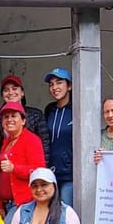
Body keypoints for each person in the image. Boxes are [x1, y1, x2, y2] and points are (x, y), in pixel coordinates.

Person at [0, 101, 46, 216]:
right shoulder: (6, 142)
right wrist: (0, 204)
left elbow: (39, 171)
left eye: (14, 116)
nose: (9, 119)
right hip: (6, 204)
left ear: (23, 121)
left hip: (23, 203)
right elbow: (2, 175)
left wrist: (14, 168)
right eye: (6, 117)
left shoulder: (32, 140)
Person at [0, 74, 50, 160]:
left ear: (22, 93)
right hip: (4, 167)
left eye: (14, 89)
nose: (11, 93)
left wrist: (41, 171)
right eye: (6, 90)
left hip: (31, 166)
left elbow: (45, 145)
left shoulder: (36, 115)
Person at [43, 68, 74, 206]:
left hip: (70, 174)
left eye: (59, 82)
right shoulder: (49, 109)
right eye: (51, 84)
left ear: (69, 86)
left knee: (66, 211)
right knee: (50, 212)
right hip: (51, 172)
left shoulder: (77, 109)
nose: (54, 87)